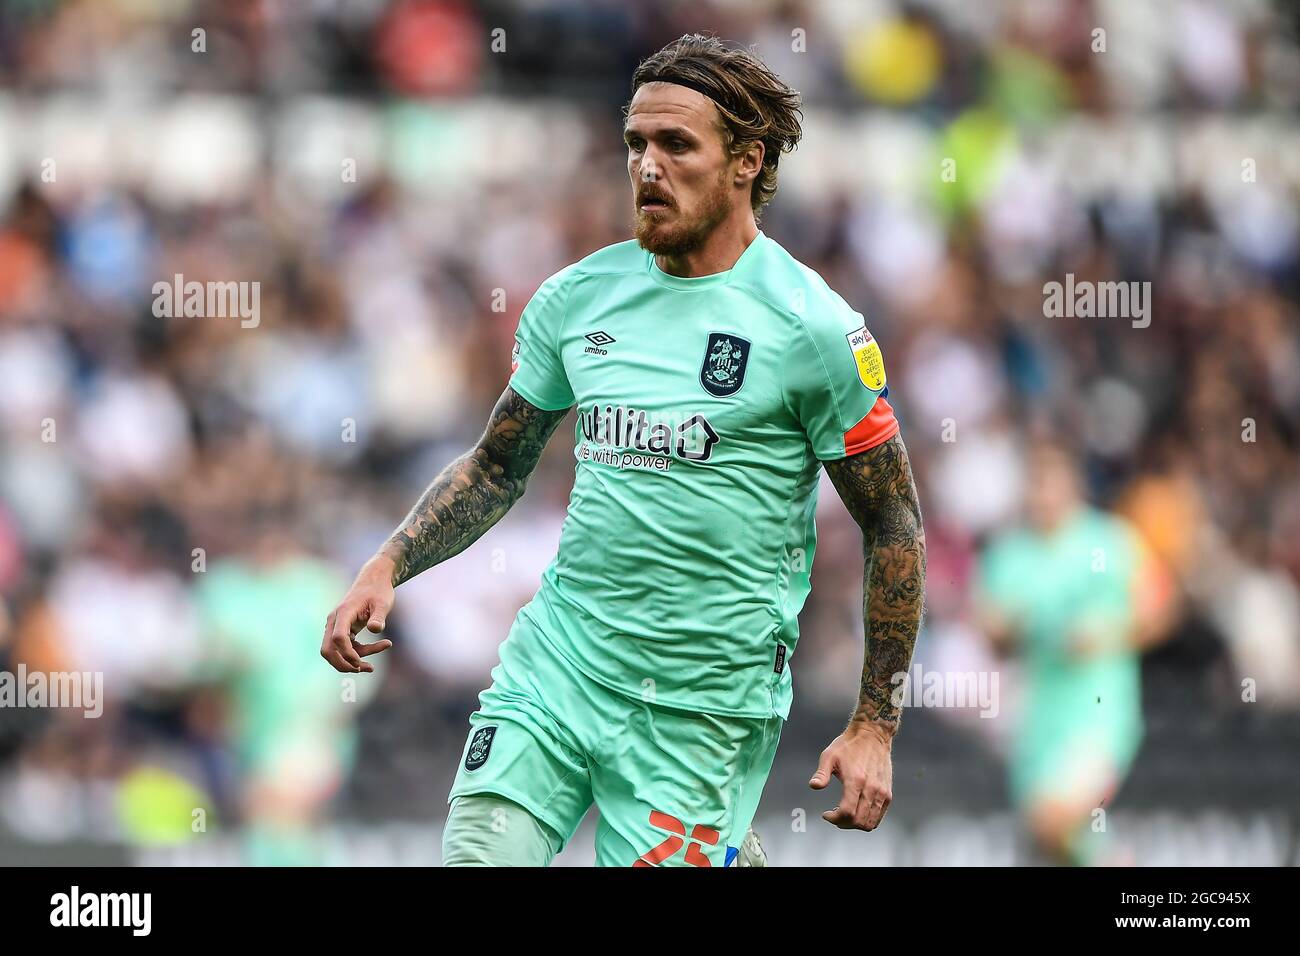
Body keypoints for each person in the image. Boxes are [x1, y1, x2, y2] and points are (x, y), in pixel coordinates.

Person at [321, 34, 926, 867]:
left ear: (746, 161)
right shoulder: (578, 298)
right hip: (559, 667)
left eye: (677, 145)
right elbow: (499, 465)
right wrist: (387, 564)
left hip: (702, 711)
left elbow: (894, 524)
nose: (647, 166)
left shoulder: (812, 329)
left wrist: (874, 725)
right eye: (636, 144)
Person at [977, 440, 1170, 865]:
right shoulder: (1010, 555)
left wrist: (1109, 634)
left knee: (1053, 819)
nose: (1043, 495)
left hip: (1098, 713)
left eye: (1052, 483)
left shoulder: (1111, 542)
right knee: (1048, 842)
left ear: (1074, 486)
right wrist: (1012, 626)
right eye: (1036, 484)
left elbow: (1161, 609)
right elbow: (991, 635)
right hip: (1037, 719)